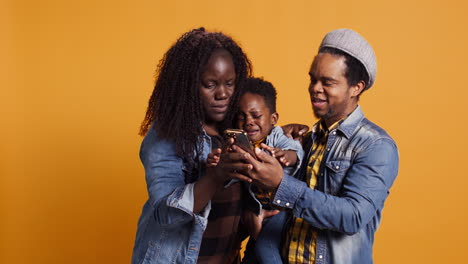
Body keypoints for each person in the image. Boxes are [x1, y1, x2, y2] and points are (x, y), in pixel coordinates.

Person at [227, 29, 400, 264]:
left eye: (327, 82)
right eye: (313, 79)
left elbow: (352, 217)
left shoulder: (376, 146)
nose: (315, 88)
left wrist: (280, 184)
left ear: (356, 87)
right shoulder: (306, 139)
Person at [131, 27, 254, 264]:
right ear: (187, 86)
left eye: (230, 83)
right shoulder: (167, 135)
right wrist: (216, 176)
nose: (223, 94)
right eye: (210, 84)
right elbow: (166, 212)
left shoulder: (235, 130)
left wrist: (285, 135)